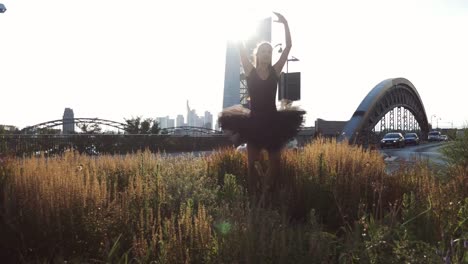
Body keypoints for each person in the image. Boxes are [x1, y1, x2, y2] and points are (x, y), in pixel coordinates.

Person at [218, 12, 305, 198]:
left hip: (273, 122)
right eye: (264, 51)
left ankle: (265, 194)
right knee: (251, 166)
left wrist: (286, 24)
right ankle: (254, 198)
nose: (267, 54)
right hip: (254, 122)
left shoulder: (275, 71)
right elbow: (240, 46)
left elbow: (288, 46)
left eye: (269, 52)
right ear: (258, 54)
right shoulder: (250, 70)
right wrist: (235, 21)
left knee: (275, 165)